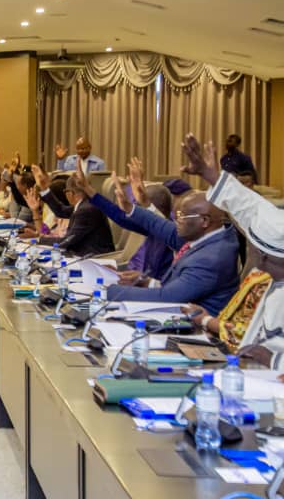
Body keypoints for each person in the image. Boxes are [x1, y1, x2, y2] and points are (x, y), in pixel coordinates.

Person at [182, 133, 283, 367]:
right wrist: (210, 175)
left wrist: (275, 360)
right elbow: (252, 208)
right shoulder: (274, 248)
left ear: (263, 256)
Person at [102, 183, 239, 315]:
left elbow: (166, 297)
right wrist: (130, 208)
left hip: (196, 323)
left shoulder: (211, 258)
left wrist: (105, 292)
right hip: (179, 309)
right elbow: (160, 226)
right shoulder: (211, 234)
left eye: (181, 216)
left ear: (204, 221)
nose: (177, 221)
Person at [75, 159, 175, 281]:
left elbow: (154, 280)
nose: (137, 213)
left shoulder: (173, 236)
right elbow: (119, 216)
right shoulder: (151, 228)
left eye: (140, 208)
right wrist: (86, 188)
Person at [30, 164, 114, 256]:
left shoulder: (86, 210)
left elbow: (67, 240)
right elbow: (60, 211)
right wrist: (44, 188)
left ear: (69, 193)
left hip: (96, 258)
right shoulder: (85, 205)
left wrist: (39, 239)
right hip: (85, 254)